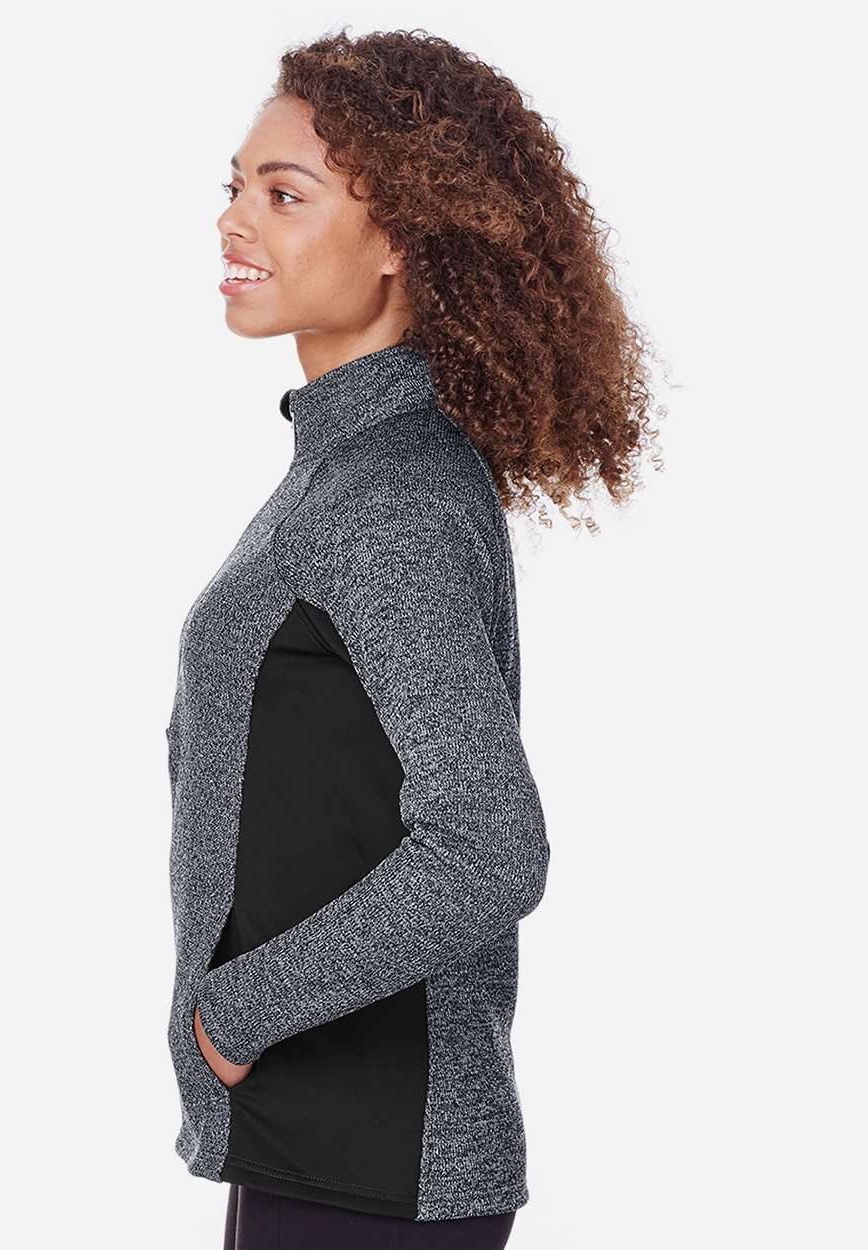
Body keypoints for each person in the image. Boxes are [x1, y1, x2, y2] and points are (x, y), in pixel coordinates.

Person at [166, 27, 661, 1250]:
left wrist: (235, 1011)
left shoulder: (388, 496)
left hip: (374, 1164)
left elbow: (489, 846)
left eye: (284, 195)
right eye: (235, 186)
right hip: (320, 1143)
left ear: (401, 239)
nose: (235, 220)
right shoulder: (343, 467)